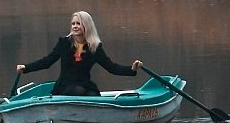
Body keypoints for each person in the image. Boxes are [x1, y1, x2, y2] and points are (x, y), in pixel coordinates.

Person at [15, 11, 143, 96]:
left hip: (85, 85)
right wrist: (26, 68)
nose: (75, 26)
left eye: (78, 24)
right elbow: (47, 61)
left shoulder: (95, 47)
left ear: (87, 26)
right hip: (64, 87)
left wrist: (131, 69)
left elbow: (112, 67)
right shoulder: (64, 43)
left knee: (93, 95)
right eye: (73, 24)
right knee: (78, 91)